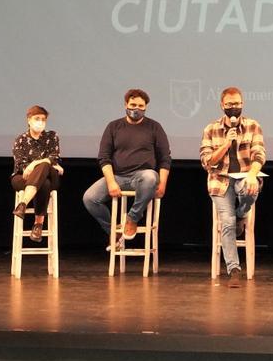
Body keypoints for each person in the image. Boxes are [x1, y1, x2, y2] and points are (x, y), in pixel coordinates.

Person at [83, 88, 171, 247]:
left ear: (145, 107)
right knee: (90, 198)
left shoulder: (154, 127)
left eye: (140, 105)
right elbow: (104, 157)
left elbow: (165, 158)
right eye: (133, 104)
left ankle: (132, 218)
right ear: (126, 105)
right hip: (118, 176)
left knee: (150, 177)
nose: (136, 109)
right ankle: (114, 233)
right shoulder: (113, 127)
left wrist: (163, 184)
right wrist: (111, 182)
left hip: (142, 176)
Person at [200, 87, 266, 287]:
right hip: (220, 182)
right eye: (229, 104)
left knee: (250, 188)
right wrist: (226, 145)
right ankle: (234, 269)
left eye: (237, 104)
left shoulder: (252, 126)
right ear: (222, 105)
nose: (234, 108)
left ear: (242, 104)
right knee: (227, 222)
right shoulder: (211, 129)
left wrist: (253, 175)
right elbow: (207, 162)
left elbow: (259, 154)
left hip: (246, 176)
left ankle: (241, 212)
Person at [12, 104, 62, 242]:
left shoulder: (52, 136)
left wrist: (34, 163)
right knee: (43, 183)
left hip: (52, 177)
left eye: (43, 119)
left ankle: (23, 204)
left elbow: (54, 157)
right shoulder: (20, 140)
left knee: (46, 165)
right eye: (37, 118)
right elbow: (21, 166)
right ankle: (38, 225)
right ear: (29, 120)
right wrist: (48, 162)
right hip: (23, 177)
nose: (40, 122)